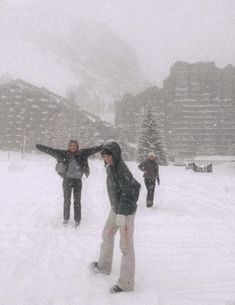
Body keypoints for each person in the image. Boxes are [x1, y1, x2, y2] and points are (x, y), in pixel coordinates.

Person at [90, 142, 141, 293]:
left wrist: (122, 214)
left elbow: (128, 194)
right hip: (116, 209)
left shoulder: (121, 170)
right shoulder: (110, 167)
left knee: (126, 247)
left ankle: (126, 283)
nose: (106, 158)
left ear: (116, 155)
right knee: (107, 235)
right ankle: (104, 266)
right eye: (104, 156)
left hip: (125, 213)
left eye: (109, 155)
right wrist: (116, 210)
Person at [36, 140, 103, 226]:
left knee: (77, 201)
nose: (72, 147)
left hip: (77, 181)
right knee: (67, 201)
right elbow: (51, 150)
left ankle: (77, 220)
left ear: (77, 146)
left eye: (74, 145)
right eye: (71, 145)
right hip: (67, 180)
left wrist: (103, 146)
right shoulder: (64, 154)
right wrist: (40, 147)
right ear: (69, 146)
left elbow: (93, 149)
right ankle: (66, 218)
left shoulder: (82, 153)